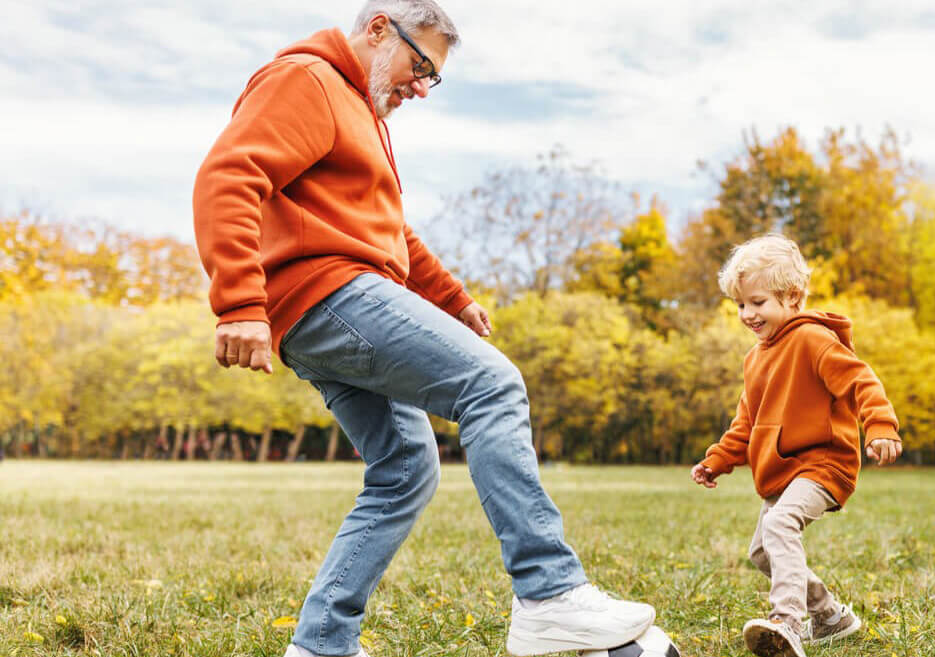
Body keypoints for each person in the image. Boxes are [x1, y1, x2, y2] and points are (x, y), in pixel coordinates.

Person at [191, 2, 654, 656]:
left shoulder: (361, 113)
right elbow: (228, 176)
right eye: (419, 66)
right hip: (328, 290)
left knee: (406, 466)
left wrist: (452, 298)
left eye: (432, 78)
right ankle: (549, 592)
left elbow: (388, 230)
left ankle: (321, 644)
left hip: (330, 300)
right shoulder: (307, 79)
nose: (419, 87)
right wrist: (238, 302)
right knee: (493, 385)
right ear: (379, 26)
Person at [689, 234, 902, 657]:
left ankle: (787, 620)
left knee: (779, 525)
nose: (748, 314)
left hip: (823, 463)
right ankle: (830, 616)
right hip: (782, 473)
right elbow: (745, 423)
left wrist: (879, 426)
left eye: (758, 302)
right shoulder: (755, 359)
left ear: (792, 297)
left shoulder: (812, 340)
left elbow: (861, 380)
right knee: (762, 551)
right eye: (741, 305)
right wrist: (718, 460)